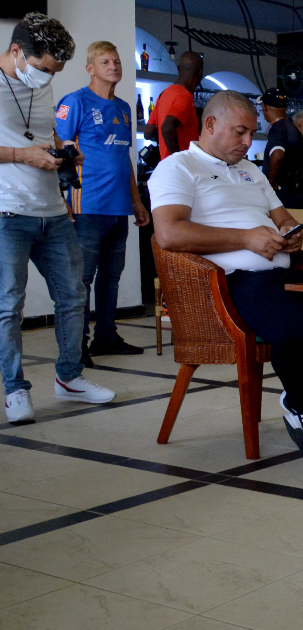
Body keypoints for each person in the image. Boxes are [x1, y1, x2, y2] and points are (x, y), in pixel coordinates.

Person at [149, 90, 303, 457]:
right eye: (240, 132)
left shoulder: (250, 172)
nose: (248, 142)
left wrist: (289, 237)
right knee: (298, 325)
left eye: (251, 133)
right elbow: (169, 233)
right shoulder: (178, 167)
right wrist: (246, 238)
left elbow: (285, 219)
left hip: (279, 276)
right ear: (210, 125)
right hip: (231, 283)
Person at [1, 13, 115, 423]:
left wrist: (62, 148)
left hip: (53, 211)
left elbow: (40, 134)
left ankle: (70, 377)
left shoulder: (41, 85)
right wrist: (20, 156)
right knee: (9, 305)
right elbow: (18, 147)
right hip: (7, 213)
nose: (47, 78)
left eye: (55, 72)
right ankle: (15, 390)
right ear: (17, 52)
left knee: (72, 296)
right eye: (44, 69)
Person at [56, 41, 149, 366]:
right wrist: (61, 198)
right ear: (90, 68)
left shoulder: (124, 108)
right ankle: (76, 346)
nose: (113, 66)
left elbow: (124, 157)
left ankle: (106, 337)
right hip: (87, 205)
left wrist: (136, 201)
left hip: (119, 207)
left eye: (117, 61)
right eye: (105, 61)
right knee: (82, 279)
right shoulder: (75, 103)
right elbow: (59, 153)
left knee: (111, 277)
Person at [142, 51, 202, 160]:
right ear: (200, 73)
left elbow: (148, 132)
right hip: (183, 167)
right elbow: (167, 127)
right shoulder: (185, 96)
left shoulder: (164, 94)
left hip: (167, 165)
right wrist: (178, 158)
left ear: (179, 69)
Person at [260, 88, 303, 209]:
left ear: (265, 108)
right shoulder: (293, 128)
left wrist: (270, 183)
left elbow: (278, 155)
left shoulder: (277, 128)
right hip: (297, 189)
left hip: (283, 192)